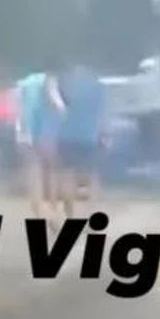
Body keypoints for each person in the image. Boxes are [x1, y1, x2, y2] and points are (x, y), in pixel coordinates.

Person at [50, 62, 105, 221]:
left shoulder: (66, 84)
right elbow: (102, 112)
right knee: (92, 177)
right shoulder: (97, 85)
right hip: (90, 136)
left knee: (67, 175)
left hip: (67, 135)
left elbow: (57, 109)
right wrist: (104, 133)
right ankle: (92, 215)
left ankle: (71, 215)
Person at [14, 71, 61, 219]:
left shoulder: (23, 84)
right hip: (44, 133)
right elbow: (58, 105)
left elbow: (17, 109)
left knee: (34, 172)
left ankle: (37, 209)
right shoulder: (49, 81)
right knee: (52, 170)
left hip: (25, 133)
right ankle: (53, 208)